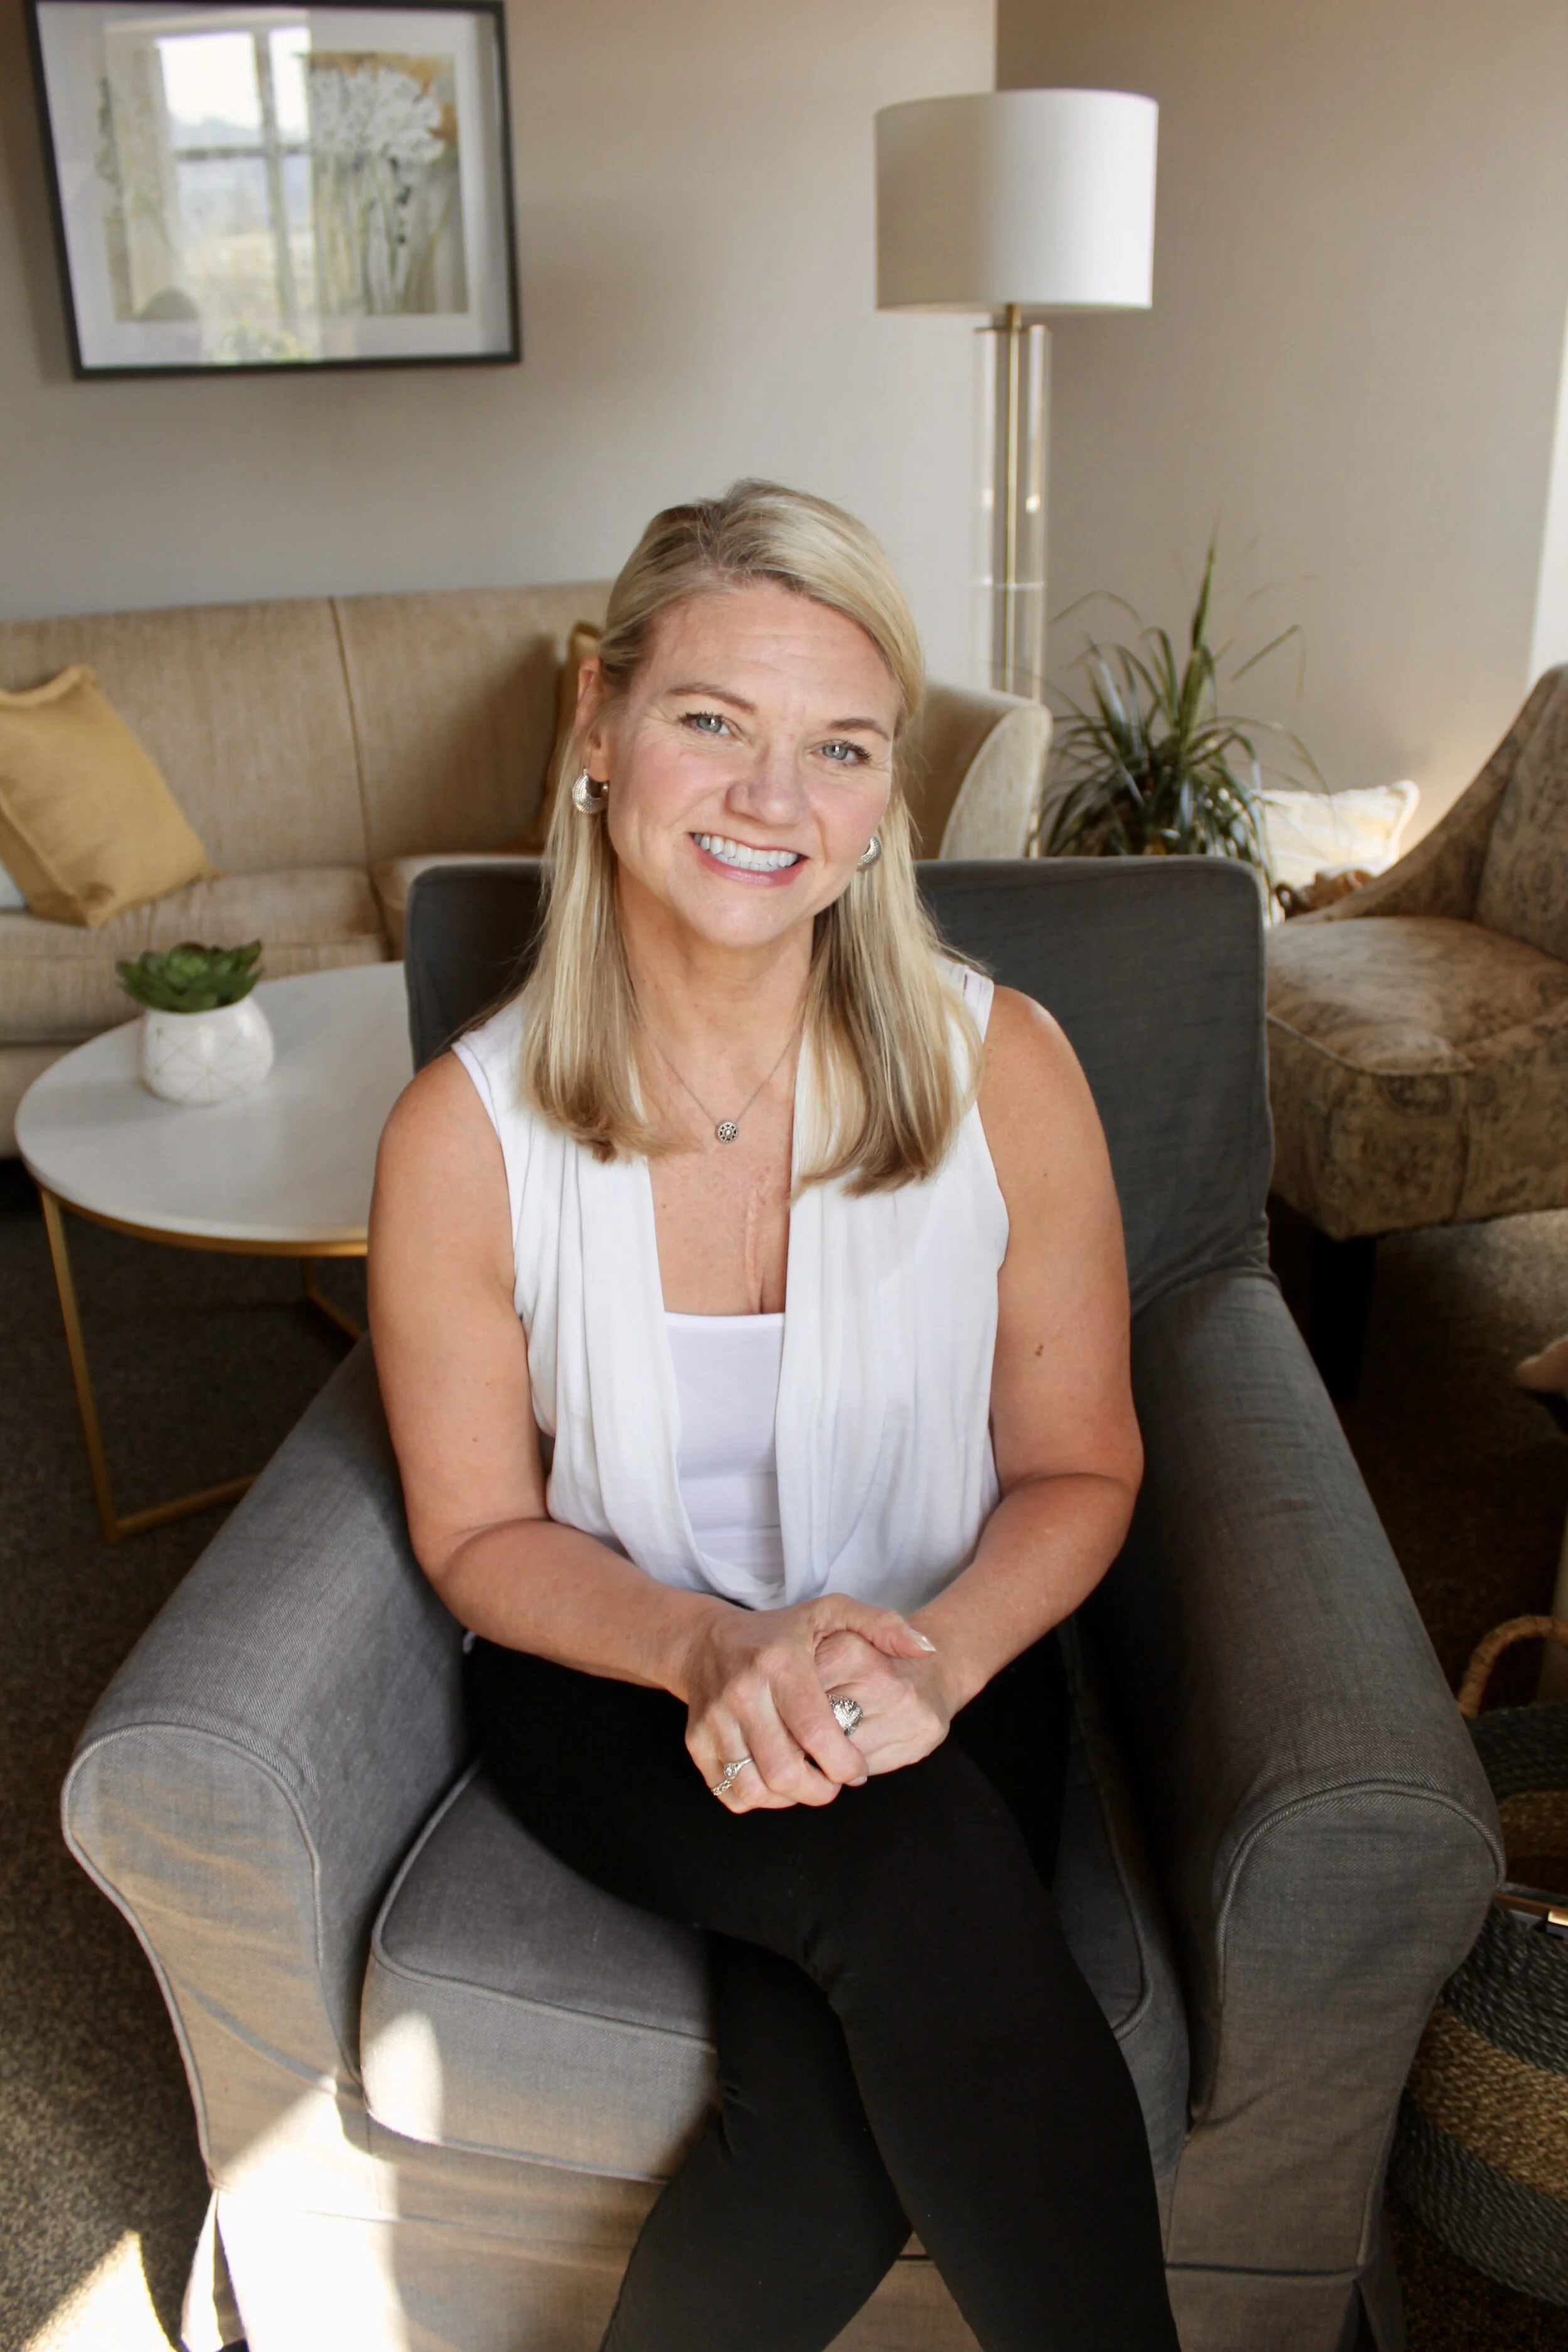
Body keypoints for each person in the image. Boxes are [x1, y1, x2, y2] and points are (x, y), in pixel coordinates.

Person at [368, 480, 1181, 2352]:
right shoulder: (463, 1135)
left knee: (824, 2134)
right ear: (597, 722)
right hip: (611, 1667)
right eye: (712, 719)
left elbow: (1081, 1462)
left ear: (887, 792)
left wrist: (940, 1658)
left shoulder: (1006, 1070)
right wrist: (706, 1647)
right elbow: (477, 1534)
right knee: (911, 1874)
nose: (773, 797)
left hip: (941, 1645)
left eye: (840, 746)